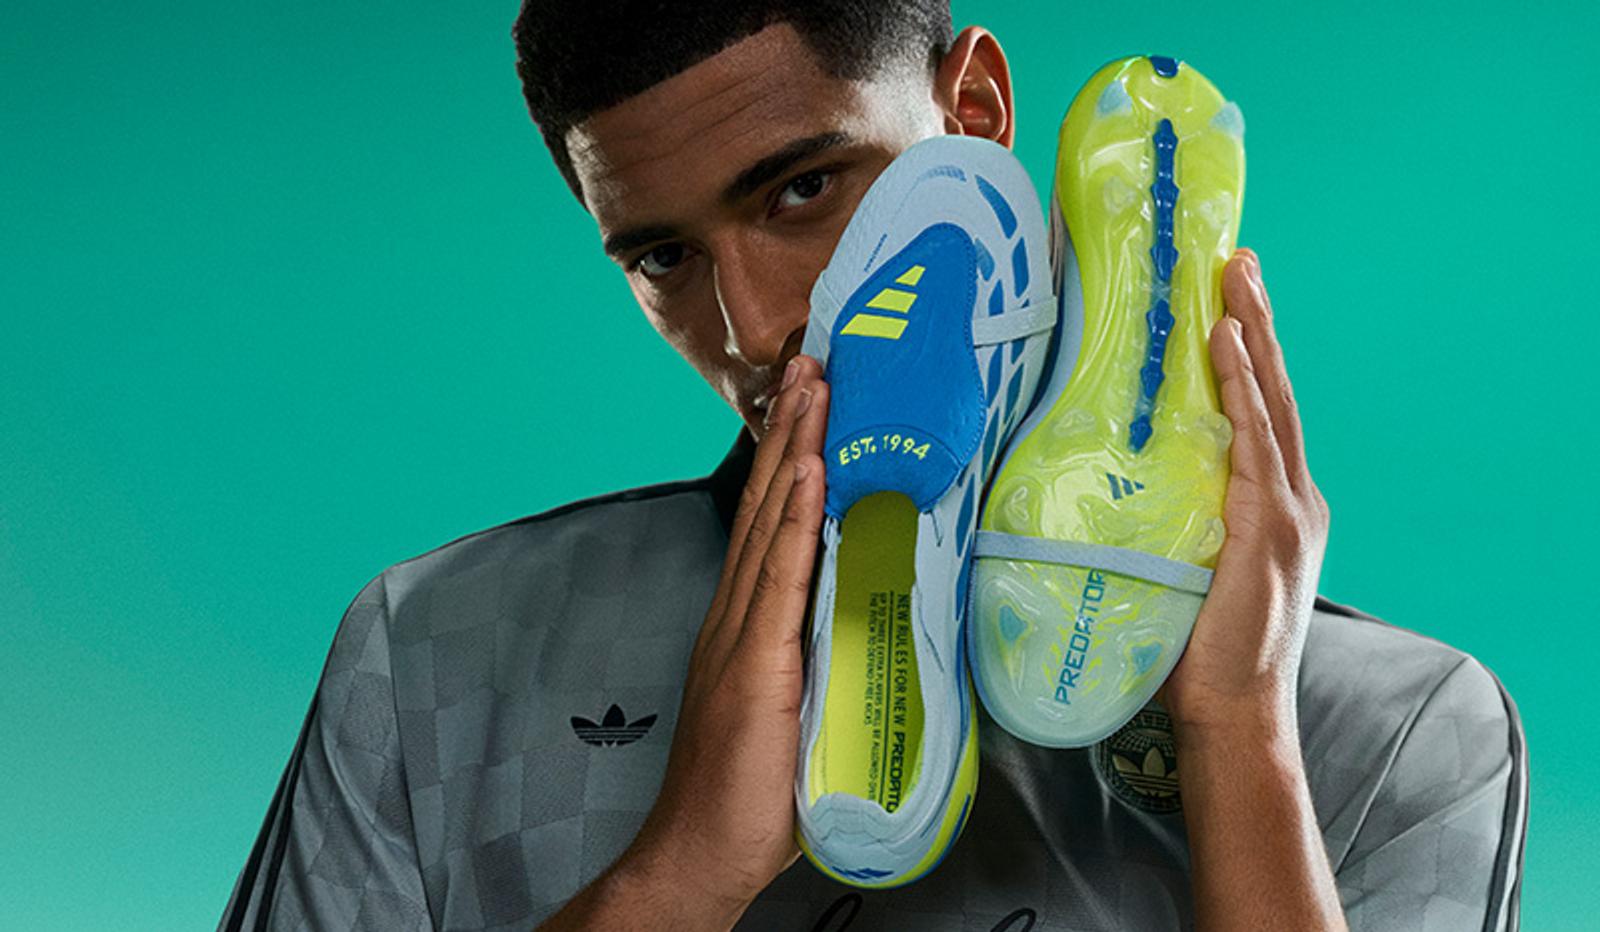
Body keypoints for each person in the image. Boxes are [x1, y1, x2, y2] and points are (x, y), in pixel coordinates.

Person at [217, 3, 1527, 929]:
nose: (752, 327)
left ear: (977, 111)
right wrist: (676, 878)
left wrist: (1240, 734)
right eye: (661, 258)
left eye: (803, 191)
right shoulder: (433, 649)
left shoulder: (1399, 730)